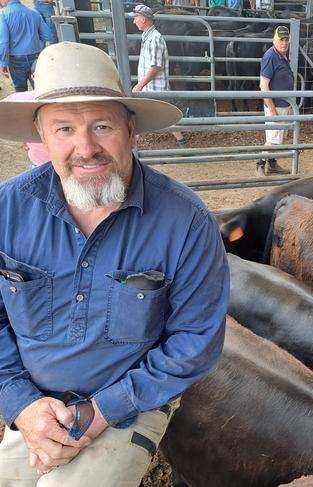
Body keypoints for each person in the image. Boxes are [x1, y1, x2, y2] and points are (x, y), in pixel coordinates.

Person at [0, 41, 229, 486]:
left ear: (131, 130)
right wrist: (21, 404)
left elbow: (195, 340)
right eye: (64, 129)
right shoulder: (6, 210)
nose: (85, 148)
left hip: (132, 402)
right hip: (36, 400)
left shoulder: (186, 220)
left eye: (101, 126)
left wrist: (106, 408)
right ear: (42, 139)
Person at [130, 4, 187, 146]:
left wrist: (140, 84)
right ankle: (181, 140)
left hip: (154, 87)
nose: (134, 21)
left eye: (136, 18)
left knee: (154, 115)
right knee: (156, 115)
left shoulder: (154, 39)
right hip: (152, 87)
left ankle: (132, 144)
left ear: (143, 19)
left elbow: (155, 67)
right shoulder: (148, 37)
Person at [257, 25, 293, 177]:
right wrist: (272, 110)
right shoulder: (270, 56)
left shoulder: (280, 55)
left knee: (276, 138)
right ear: (274, 41)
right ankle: (260, 164)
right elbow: (263, 85)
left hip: (283, 104)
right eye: (281, 40)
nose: (284, 43)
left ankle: (272, 164)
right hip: (276, 105)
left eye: (286, 40)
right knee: (272, 140)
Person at [0, 0, 55, 92]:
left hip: (15, 59)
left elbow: (4, 42)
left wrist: (3, 63)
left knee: (20, 90)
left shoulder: (4, 15)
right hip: (35, 57)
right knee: (39, 89)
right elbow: (48, 35)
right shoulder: (34, 12)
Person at [3, 62, 50, 168]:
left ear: (34, 77)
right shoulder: (81, 101)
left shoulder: (18, 100)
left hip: (39, 164)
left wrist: (23, 134)